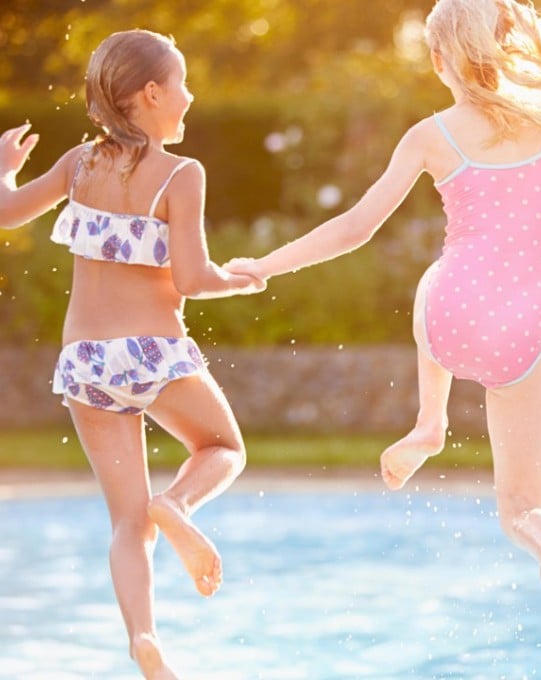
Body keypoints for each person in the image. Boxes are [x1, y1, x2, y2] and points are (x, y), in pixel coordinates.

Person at [224, 0, 541, 633]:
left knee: (437, 277)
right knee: (522, 506)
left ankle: (429, 422)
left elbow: (355, 228)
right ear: (506, 49)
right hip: (523, 336)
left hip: (450, 316)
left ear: (440, 60)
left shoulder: (430, 135)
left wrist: (267, 265)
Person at [0, 30, 264, 679]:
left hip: (84, 362)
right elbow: (195, 279)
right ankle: (178, 505)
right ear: (151, 93)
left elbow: (6, 212)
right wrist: (244, 277)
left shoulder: (78, 165)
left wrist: (4, 164)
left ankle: (143, 639)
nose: (190, 96)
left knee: (126, 521)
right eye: (182, 83)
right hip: (151, 353)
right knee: (224, 449)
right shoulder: (181, 173)